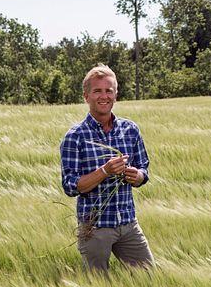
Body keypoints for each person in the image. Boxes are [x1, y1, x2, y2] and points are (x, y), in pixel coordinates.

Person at [60, 64, 154, 271]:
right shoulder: (75, 136)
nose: (104, 96)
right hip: (94, 229)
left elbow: (144, 170)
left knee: (148, 277)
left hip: (128, 223)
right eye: (97, 91)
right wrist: (105, 171)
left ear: (116, 94)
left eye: (109, 90)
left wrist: (136, 175)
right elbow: (70, 186)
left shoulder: (130, 130)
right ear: (86, 96)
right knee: (96, 286)